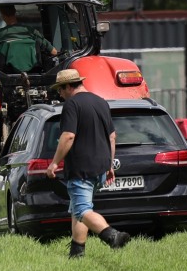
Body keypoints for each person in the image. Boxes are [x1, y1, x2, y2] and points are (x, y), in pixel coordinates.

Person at [45, 69, 131, 258]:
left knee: (83, 210)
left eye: (60, 89)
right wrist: (109, 165)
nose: (60, 94)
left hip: (81, 167)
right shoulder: (100, 102)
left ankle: (112, 236)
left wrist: (54, 163)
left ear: (68, 86)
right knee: (78, 209)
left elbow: (68, 136)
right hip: (100, 166)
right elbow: (112, 136)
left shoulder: (72, 105)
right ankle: (77, 253)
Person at [0, 4, 58, 73]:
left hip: (6, 76)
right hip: (36, 73)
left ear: (2, 14)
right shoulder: (32, 31)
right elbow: (54, 52)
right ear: (15, 11)